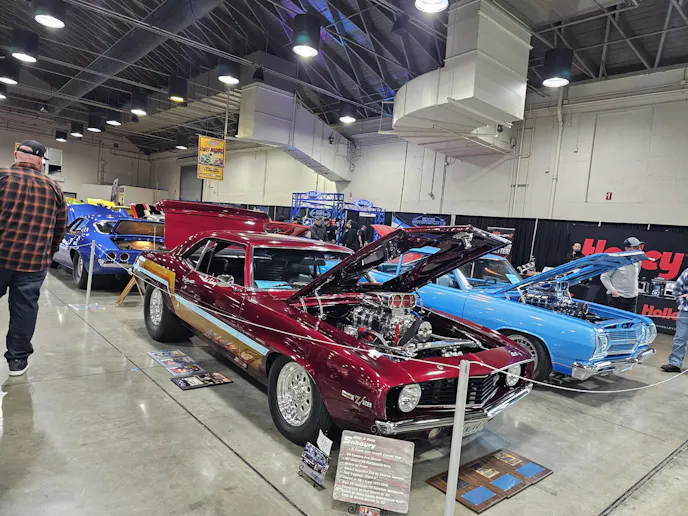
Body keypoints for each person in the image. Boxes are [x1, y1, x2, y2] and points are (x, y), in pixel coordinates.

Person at [0, 140, 67, 376]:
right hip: (33, 262)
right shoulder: (54, 188)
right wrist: (48, 254)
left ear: (15, 154)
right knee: (24, 309)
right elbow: (60, 228)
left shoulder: (2, 177)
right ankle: (17, 360)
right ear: (40, 160)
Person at [600, 237, 643, 312]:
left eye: (639, 247)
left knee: (630, 319)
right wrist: (614, 292)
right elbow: (604, 277)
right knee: (615, 319)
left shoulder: (638, 261)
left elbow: (636, 276)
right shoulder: (616, 260)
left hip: (632, 298)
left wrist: (636, 291)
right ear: (627, 249)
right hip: (618, 298)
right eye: (635, 247)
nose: (638, 249)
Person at [661, 267, 688, 373]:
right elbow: (676, 289)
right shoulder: (687, 272)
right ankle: (675, 364)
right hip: (685, 312)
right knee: (680, 338)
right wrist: (682, 304)